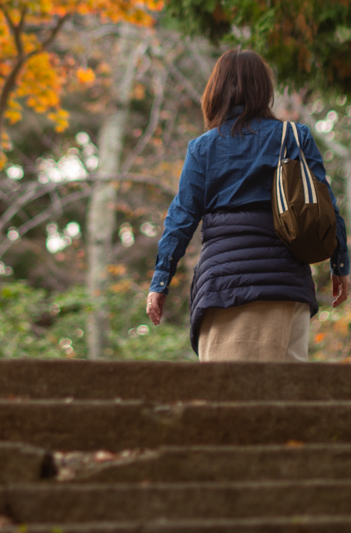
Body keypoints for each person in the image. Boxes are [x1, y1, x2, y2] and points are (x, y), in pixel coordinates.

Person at [146, 49, 351, 361]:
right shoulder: (294, 136)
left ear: (215, 90)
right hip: (286, 281)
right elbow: (325, 206)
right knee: (289, 397)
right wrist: (340, 265)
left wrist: (160, 282)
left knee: (226, 399)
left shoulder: (203, 148)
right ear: (264, 90)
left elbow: (181, 219)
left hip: (223, 284)